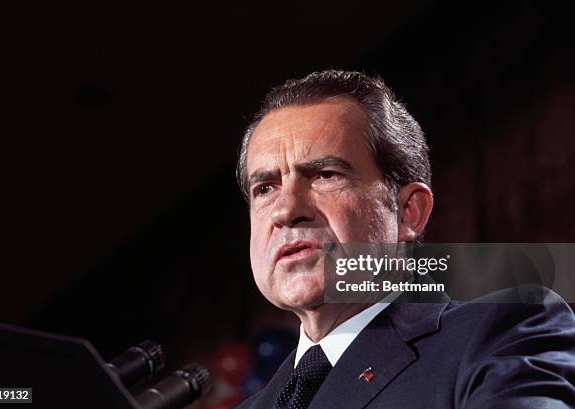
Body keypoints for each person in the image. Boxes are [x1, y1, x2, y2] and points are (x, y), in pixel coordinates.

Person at [234, 70, 575, 409]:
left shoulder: (499, 334)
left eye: (326, 175)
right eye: (265, 189)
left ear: (408, 211)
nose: (287, 210)